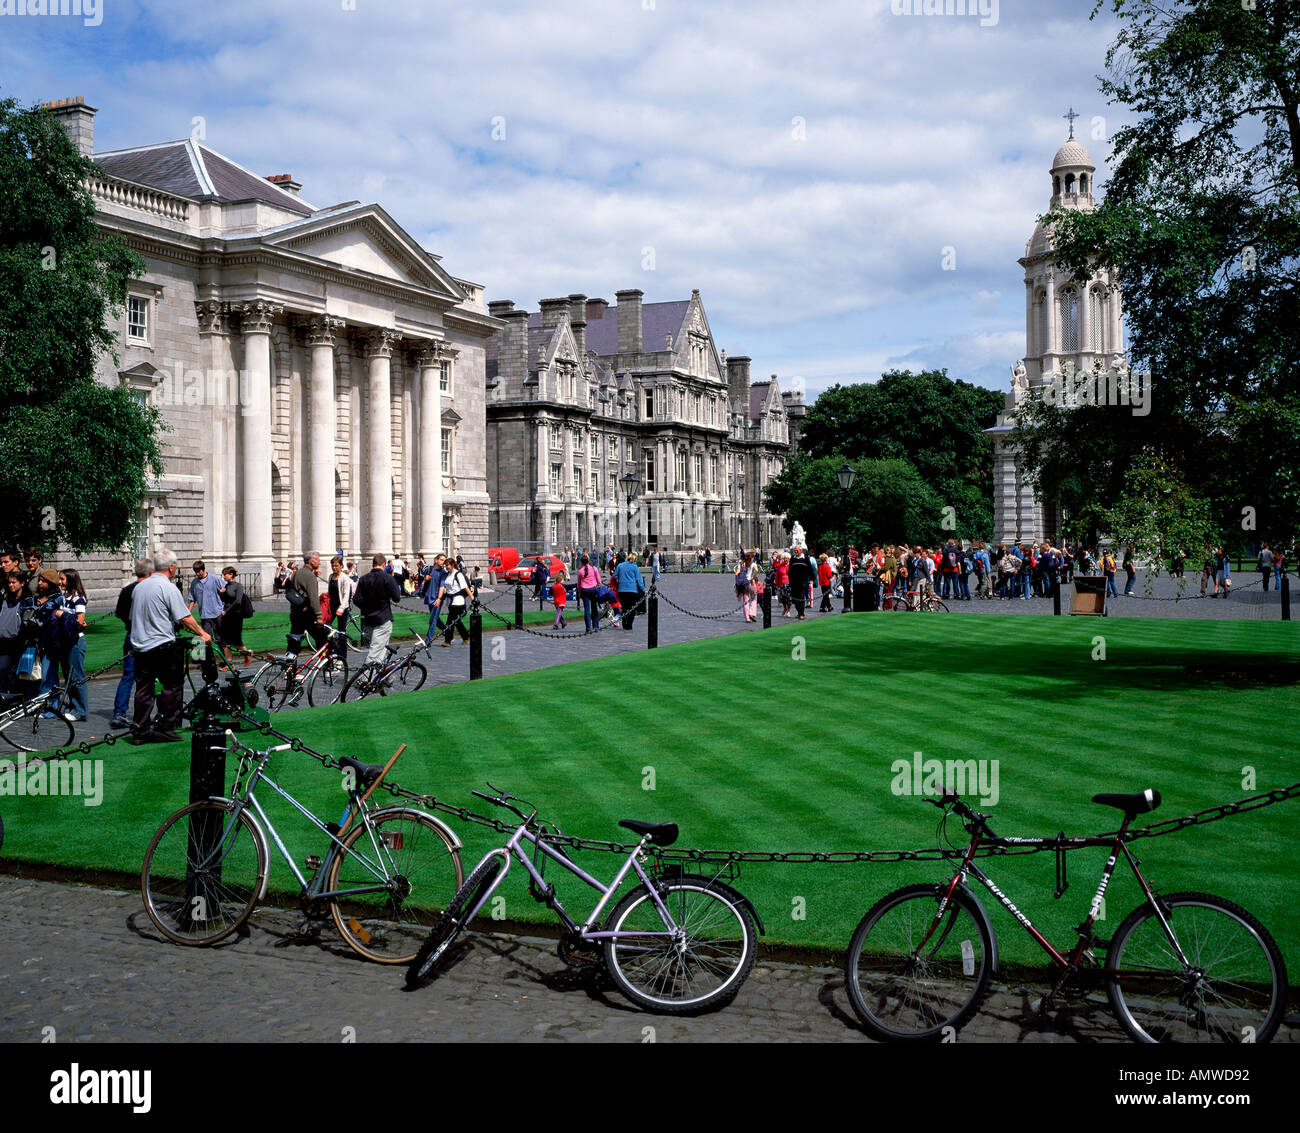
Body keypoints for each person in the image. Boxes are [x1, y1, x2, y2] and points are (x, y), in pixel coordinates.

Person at [130, 550, 211, 743]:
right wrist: (203, 633)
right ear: (171, 567)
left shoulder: (139, 587)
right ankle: (165, 726)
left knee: (144, 688)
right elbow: (184, 617)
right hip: (161, 644)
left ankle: (140, 730)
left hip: (140, 646)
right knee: (173, 684)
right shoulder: (168, 587)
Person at [110, 558, 152, 727]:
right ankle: (143, 714)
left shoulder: (127, 590)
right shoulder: (148, 590)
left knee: (128, 676)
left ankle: (119, 712)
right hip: (148, 637)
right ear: (150, 572)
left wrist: (130, 622)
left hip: (131, 634)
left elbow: (119, 613)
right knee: (147, 677)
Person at [353, 553, 402, 665]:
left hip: (368, 619)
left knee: (381, 649)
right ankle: (364, 679)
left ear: (373, 564)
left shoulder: (363, 579)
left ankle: (383, 678)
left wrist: (366, 607)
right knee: (375, 651)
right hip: (383, 618)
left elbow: (356, 599)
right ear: (384, 565)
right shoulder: (387, 578)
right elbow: (397, 598)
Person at [288, 551, 329, 657]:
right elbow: (314, 598)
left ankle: (290, 670)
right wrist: (319, 616)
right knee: (322, 639)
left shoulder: (297, 573)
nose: (319, 563)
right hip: (307, 614)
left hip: (295, 612)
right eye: (318, 561)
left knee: (294, 643)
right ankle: (325, 666)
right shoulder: (310, 576)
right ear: (311, 562)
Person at [216, 566, 254, 667]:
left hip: (236, 615)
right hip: (227, 616)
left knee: (236, 640)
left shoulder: (238, 586)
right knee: (224, 639)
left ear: (231, 575)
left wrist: (226, 611)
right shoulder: (227, 586)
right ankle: (228, 663)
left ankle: (248, 653)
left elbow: (238, 602)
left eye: (225, 574)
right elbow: (226, 600)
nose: (223, 576)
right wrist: (221, 594)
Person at [0, 570, 26, 695]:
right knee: (2, 669)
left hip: (18, 642)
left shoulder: (26, 601)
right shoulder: (4, 600)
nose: (11, 585)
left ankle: (14, 699)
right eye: (9, 583)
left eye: (14, 582)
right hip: (3, 642)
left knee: (14, 673)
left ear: (22, 583)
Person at [438, 557, 473, 646]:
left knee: (450, 621)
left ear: (453, 565)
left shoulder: (458, 575)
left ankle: (448, 641)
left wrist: (473, 598)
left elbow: (465, 587)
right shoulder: (448, 575)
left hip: (458, 601)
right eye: (445, 566)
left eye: (448, 565)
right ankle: (465, 636)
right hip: (451, 601)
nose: (446, 567)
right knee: (457, 621)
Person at [188, 560, 224, 644]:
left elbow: (225, 588)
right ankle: (210, 657)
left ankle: (225, 656)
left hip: (217, 613)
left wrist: (223, 591)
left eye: (198, 571)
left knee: (220, 639)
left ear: (203, 569)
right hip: (204, 615)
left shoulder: (214, 578)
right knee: (207, 640)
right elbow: (192, 599)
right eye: (195, 572)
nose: (197, 574)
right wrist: (188, 612)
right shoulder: (194, 583)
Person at [328, 555, 353, 658]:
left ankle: (342, 655)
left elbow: (346, 594)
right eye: (333, 566)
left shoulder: (344, 578)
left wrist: (341, 608)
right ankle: (333, 649)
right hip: (332, 606)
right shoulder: (331, 576)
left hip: (342, 607)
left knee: (342, 631)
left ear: (341, 566)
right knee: (326, 626)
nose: (334, 568)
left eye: (336, 566)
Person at [613, 552, 646, 631]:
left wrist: (620, 580)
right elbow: (639, 580)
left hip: (622, 590)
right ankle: (629, 625)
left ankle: (624, 624)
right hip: (632, 590)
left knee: (624, 607)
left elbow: (615, 576)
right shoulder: (635, 567)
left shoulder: (620, 566)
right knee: (632, 608)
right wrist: (644, 589)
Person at [576, 554, 602, 633]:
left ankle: (588, 628)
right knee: (594, 608)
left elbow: (578, 585)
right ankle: (596, 626)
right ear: (588, 561)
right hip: (593, 590)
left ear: (581, 562)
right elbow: (599, 581)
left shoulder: (580, 571)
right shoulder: (594, 569)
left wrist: (579, 593)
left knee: (587, 609)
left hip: (584, 590)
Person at [787, 546, 814, 620]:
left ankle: (802, 613)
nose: (796, 552)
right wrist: (789, 579)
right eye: (795, 550)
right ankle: (799, 612)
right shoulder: (793, 558)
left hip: (803, 581)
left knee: (801, 597)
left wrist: (811, 579)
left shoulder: (805, 558)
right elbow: (790, 569)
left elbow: (810, 569)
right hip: (794, 581)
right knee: (795, 598)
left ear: (801, 551)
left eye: (797, 550)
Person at [734, 553, 758, 622]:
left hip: (743, 584)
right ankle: (751, 613)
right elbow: (756, 570)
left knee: (745, 601)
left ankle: (747, 618)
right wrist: (754, 577)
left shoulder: (741, 564)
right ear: (752, 558)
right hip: (751, 583)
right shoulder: (753, 564)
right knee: (754, 598)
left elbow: (736, 573)